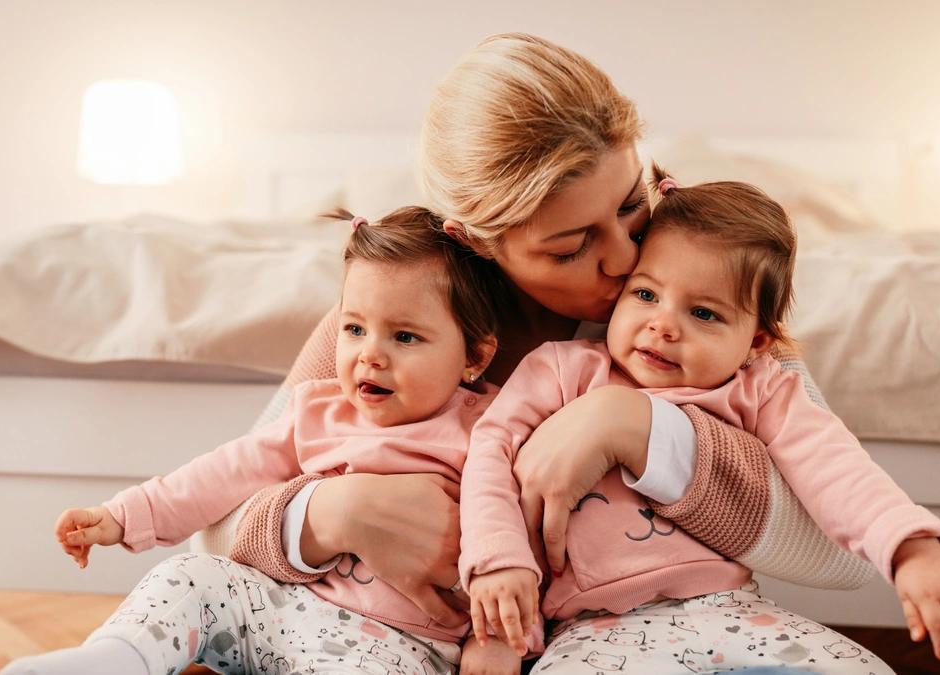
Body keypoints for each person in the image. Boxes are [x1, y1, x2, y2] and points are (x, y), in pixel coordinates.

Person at [221, 33, 872, 655]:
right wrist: (331, 511)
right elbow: (213, 534)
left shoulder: (701, 294)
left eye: (629, 204)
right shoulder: (392, 318)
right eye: (572, 245)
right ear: (475, 241)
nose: (624, 260)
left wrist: (640, 427)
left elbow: (846, 552)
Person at [459, 168, 940, 673]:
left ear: (757, 340)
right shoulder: (562, 368)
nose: (662, 325)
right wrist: (501, 609)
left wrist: (913, 551)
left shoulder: (761, 386)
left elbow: (835, 467)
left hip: (728, 607)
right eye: (645, 295)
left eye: (705, 314)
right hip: (593, 626)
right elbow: (489, 459)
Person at [1, 207, 521, 674]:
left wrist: (496, 639)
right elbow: (221, 474)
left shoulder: (489, 429)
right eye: (355, 328)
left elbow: (515, 543)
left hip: (398, 646)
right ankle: (113, 660)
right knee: (190, 577)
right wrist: (122, 517)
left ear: (474, 357)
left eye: (404, 337)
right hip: (277, 605)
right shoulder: (317, 409)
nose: (370, 355)